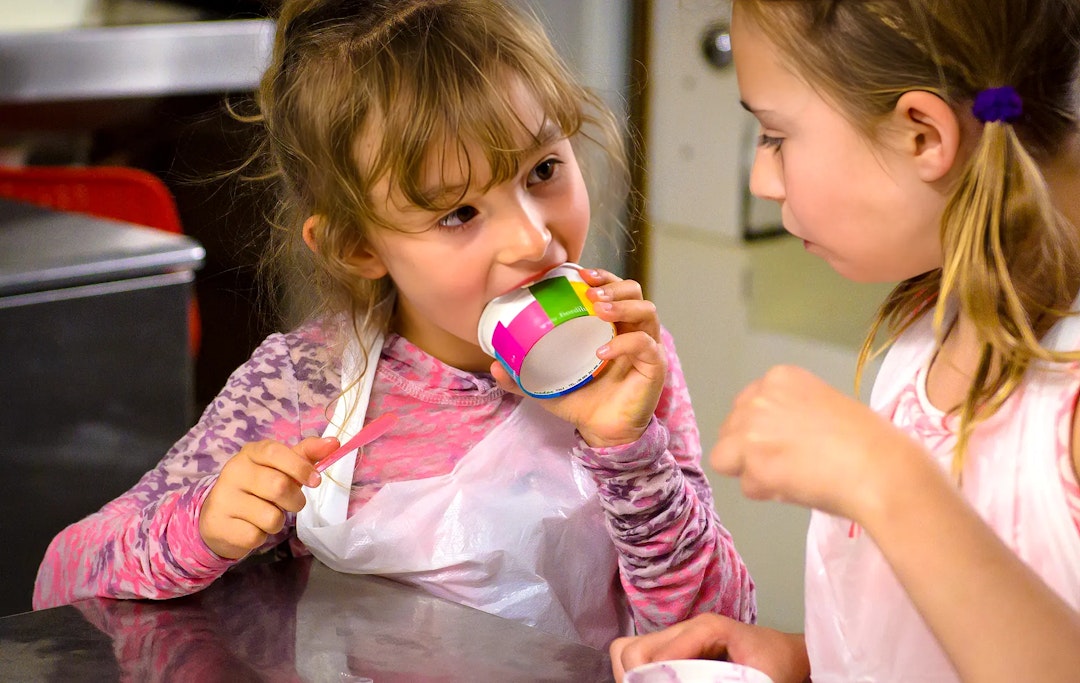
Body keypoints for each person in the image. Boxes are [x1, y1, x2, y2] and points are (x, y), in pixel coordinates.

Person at [33, 0, 756, 649]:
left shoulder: (629, 357)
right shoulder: (300, 384)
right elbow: (62, 576)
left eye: (542, 170)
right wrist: (201, 524)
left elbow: (716, 635)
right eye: (458, 214)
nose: (533, 240)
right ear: (360, 247)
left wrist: (629, 449)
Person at [610, 0, 1080, 681]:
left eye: (774, 135)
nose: (760, 178)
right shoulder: (937, 321)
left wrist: (886, 479)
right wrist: (803, 658)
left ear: (923, 134)